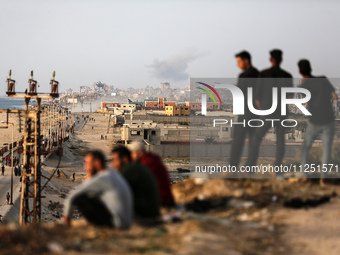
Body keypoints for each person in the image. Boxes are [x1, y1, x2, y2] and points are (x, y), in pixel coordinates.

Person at [246, 49, 293, 168]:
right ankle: (277, 170)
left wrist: (262, 110)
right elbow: (290, 96)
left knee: (256, 138)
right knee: (280, 141)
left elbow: (257, 96)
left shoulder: (264, 74)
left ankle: (250, 167)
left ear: (270, 60)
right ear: (281, 60)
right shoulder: (287, 76)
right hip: (281, 111)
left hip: (268, 111)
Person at [63, 150, 133, 228]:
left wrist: (66, 217)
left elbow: (73, 195)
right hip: (125, 222)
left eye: (87, 163)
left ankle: (96, 226)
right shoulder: (112, 174)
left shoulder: (103, 177)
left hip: (117, 223)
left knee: (80, 198)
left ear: (97, 162)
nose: (85, 167)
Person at [298, 59, 338, 185]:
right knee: (326, 149)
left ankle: (305, 174)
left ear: (300, 72)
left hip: (314, 121)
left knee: (305, 148)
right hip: (329, 119)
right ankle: (323, 177)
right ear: (311, 69)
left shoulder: (304, 86)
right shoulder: (323, 79)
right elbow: (335, 97)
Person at [111, 146, 161, 225]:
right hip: (151, 213)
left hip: (143, 217)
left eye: (115, 160)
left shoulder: (128, 170)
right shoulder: (137, 167)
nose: (113, 164)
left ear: (124, 159)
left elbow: (118, 196)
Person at [230, 51, 259, 167]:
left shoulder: (245, 76)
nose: (238, 64)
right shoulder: (258, 74)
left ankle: (233, 167)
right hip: (254, 112)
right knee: (253, 141)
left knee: (238, 139)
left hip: (246, 112)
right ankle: (249, 168)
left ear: (246, 60)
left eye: (238, 61)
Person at [129, 141, 175, 208]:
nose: (131, 156)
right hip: (164, 198)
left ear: (140, 152)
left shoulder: (147, 163)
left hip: (160, 200)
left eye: (132, 153)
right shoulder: (151, 159)